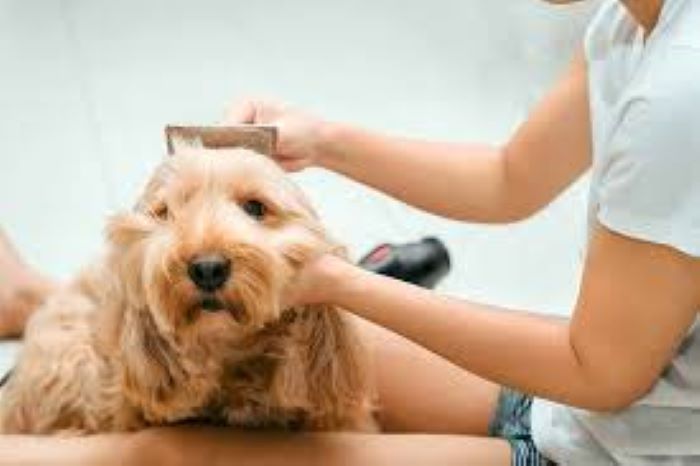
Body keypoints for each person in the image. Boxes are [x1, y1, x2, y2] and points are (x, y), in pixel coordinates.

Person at [1, 0, 699, 463]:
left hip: (621, 449)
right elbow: (508, 178)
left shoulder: (680, 94)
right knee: (251, 344)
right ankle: (39, 297)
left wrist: (341, 283)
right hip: (566, 403)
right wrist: (324, 139)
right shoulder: (632, 20)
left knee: (161, 453)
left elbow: (600, 375)